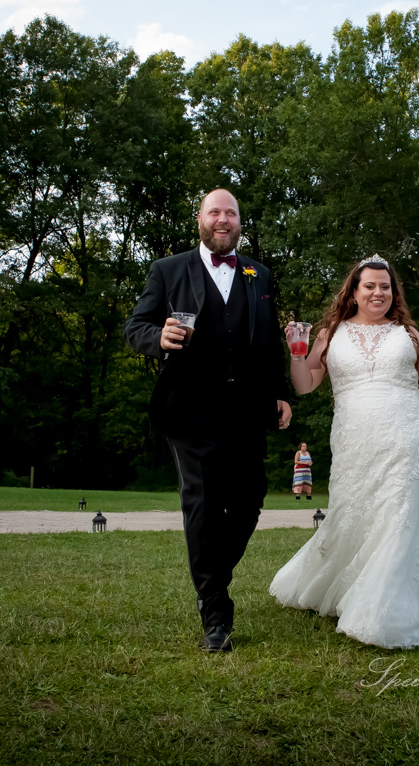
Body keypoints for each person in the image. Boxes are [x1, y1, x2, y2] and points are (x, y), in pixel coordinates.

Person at [269, 254, 419, 649]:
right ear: (354, 290)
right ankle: (344, 587)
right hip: (352, 436)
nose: (378, 292)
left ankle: (385, 610)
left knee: (398, 514)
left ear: (393, 291)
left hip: (406, 433)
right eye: (370, 285)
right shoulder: (330, 333)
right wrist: (296, 354)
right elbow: (305, 385)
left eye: (385, 286)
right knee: (352, 512)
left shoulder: (408, 334)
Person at [124, 188, 292, 654]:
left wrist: (279, 391)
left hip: (247, 410)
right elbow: (134, 328)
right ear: (199, 219)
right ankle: (215, 615)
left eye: (231, 213)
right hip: (190, 409)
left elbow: (266, 345)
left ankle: (213, 576)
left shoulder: (261, 275)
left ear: (240, 221)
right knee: (201, 503)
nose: (223, 220)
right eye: (214, 212)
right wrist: (159, 335)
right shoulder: (168, 270)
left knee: (251, 495)